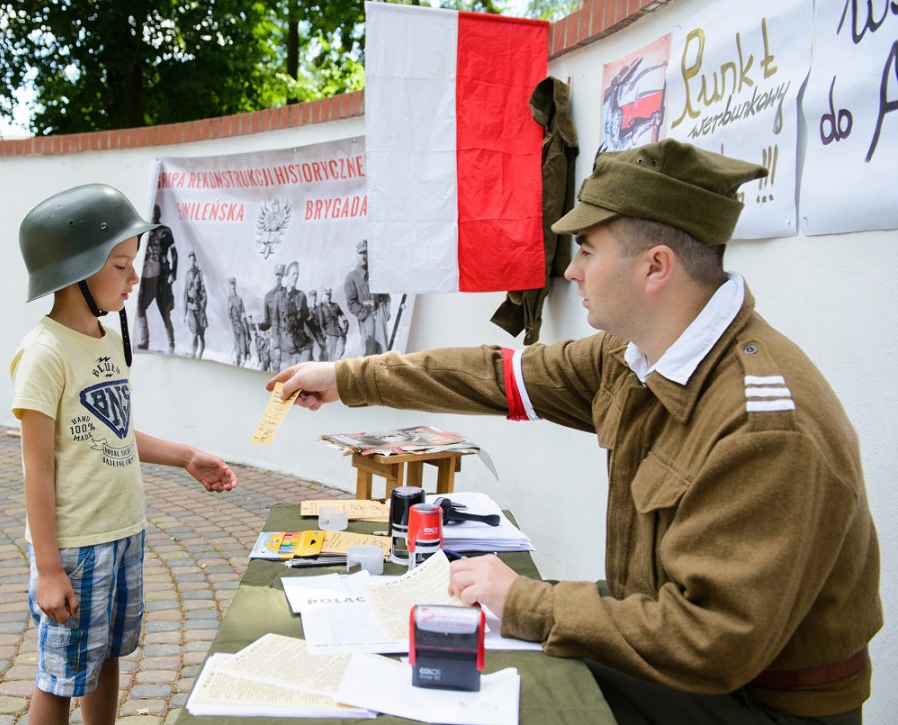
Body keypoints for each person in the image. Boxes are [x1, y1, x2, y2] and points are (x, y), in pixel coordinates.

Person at [267, 140, 882, 724]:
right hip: (675, 654)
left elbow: (712, 640)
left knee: (503, 685)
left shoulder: (761, 423)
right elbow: (497, 376)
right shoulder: (636, 354)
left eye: (587, 250)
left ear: (655, 267)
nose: (571, 270)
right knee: (467, 651)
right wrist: (346, 378)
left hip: (756, 702)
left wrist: (527, 602)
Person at [11, 184, 237, 725]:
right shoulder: (44, 354)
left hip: (123, 533)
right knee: (61, 674)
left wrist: (186, 457)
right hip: (76, 547)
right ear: (76, 270)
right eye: (119, 265)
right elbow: (37, 469)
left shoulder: (108, 340)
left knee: (108, 655)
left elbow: (114, 432)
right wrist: (49, 570)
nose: (134, 277)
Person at [136, 204, 177, 354]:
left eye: (156, 212)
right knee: (140, 306)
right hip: (147, 275)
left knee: (164, 309)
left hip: (162, 275)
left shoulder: (165, 231)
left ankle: (171, 343)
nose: (154, 215)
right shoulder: (144, 230)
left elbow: (174, 253)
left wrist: (173, 273)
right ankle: (145, 340)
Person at [271, 261, 323, 367]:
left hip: (302, 346)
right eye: (293, 274)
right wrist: (276, 347)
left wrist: (320, 339)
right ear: (286, 277)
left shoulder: (301, 296)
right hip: (286, 348)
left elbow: (308, 320)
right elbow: (275, 323)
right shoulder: (278, 297)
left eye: (297, 274)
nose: (296, 277)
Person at [344, 239, 391, 354]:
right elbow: (351, 303)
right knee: (369, 353)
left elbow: (386, 295)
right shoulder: (351, 277)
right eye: (361, 253)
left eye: (366, 253)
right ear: (356, 255)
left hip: (379, 317)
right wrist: (365, 315)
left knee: (384, 352)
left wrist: (386, 311)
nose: (363, 256)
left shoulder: (376, 274)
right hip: (367, 318)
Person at [257, 263, 285, 371]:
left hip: (286, 335)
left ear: (283, 277)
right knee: (275, 364)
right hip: (274, 335)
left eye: (280, 275)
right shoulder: (268, 296)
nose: (278, 278)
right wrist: (260, 326)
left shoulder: (287, 293)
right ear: (273, 276)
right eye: (276, 275)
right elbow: (267, 321)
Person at [182, 250, 208, 359]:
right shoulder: (187, 274)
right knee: (194, 332)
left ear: (195, 261)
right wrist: (184, 313)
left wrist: (203, 306)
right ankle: (193, 355)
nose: (192, 262)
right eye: (190, 260)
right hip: (191, 308)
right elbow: (185, 293)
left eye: (193, 260)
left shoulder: (200, 274)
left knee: (201, 335)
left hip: (199, 309)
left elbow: (204, 292)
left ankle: (200, 354)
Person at [319, 286, 349, 361]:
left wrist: (345, 328)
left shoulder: (336, 306)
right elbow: (320, 323)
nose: (328, 297)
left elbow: (345, 319)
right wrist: (324, 334)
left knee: (340, 352)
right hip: (329, 335)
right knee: (330, 358)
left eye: (329, 295)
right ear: (323, 296)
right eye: (326, 295)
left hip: (339, 333)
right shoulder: (321, 308)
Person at [227, 276, 250, 366]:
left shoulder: (239, 299)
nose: (232, 286)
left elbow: (243, 314)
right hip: (234, 325)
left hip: (240, 325)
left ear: (235, 286)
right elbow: (229, 315)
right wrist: (229, 308)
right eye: (231, 285)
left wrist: (246, 329)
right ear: (229, 286)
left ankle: (240, 363)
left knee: (243, 347)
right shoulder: (229, 299)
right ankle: (237, 363)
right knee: (238, 348)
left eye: (233, 284)